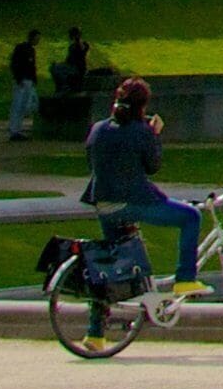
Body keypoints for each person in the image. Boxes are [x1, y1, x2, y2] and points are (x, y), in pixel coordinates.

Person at [83, 76, 204, 295]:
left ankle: (95, 328)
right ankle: (185, 279)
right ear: (143, 105)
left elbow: (92, 160)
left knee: (111, 265)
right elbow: (153, 166)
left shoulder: (98, 129)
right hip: (131, 202)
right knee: (191, 217)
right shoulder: (141, 131)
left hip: (104, 204)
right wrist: (154, 135)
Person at [5, 31, 41, 142]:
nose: (37, 41)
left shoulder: (31, 50)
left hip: (28, 80)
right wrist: (18, 77)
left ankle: (17, 129)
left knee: (25, 105)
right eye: (36, 38)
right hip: (22, 80)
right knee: (18, 105)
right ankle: (14, 130)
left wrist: (34, 79)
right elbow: (15, 63)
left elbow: (32, 66)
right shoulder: (21, 48)